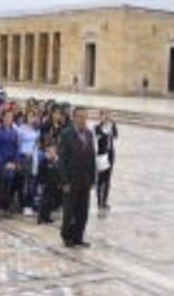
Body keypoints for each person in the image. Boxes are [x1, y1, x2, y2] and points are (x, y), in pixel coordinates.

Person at [58, 106, 96, 248]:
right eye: (80, 117)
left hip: (85, 180)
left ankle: (78, 236)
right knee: (69, 211)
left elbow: (92, 156)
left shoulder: (89, 134)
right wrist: (64, 181)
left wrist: (93, 178)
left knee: (82, 211)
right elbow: (61, 160)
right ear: (74, 118)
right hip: (71, 180)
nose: (83, 120)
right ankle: (66, 236)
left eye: (85, 117)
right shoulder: (66, 134)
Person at [15, 110, 40, 216]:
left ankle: (29, 204)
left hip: (32, 156)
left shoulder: (36, 130)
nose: (32, 118)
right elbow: (18, 143)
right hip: (23, 156)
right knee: (23, 182)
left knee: (31, 182)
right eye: (30, 116)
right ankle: (23, 204)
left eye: (34, 116)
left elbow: (36, 144)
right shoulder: (21, 129)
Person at [94, 110, 118, 210]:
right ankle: (99, 201)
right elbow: (99, 138)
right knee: (100, 179)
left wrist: (113, 124)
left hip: (110, 154)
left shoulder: (111, 126)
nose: (106, 117)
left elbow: (116, 136)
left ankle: (105, 201)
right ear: (100, 117)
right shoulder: (97, 128)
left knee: (108, 179)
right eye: (103, 115)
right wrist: (104, 127)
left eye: (107, 115)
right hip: (101, 155)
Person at [37, 142, 60, 224]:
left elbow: (59, 171)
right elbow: (41, 172)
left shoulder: (57, 161)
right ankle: (41, 217)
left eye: (53, 151)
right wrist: (42, 181)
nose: (51, 153)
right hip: (46, 183)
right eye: (49, 151)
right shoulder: (44, 161)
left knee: (51, 201)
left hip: (54, 183)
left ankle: (47, 216)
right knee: (44, 200)